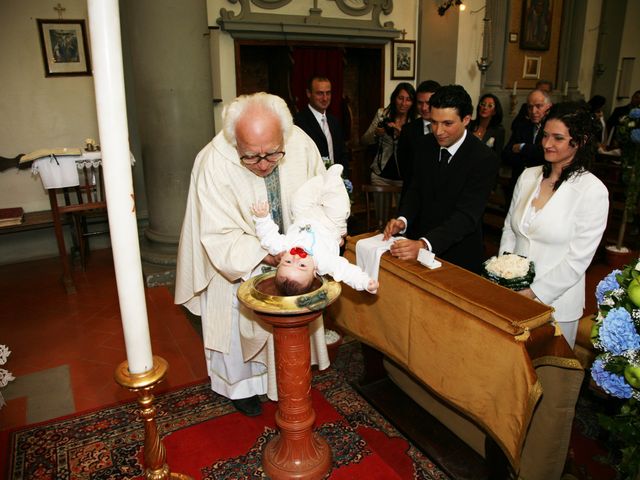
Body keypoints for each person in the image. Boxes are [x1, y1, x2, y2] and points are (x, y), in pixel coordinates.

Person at [174, 92, 329, 417]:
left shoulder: (301, 144)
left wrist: (314, 237)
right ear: (234, 141)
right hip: (239, 262)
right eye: (251, 157)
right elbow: (216, 232)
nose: (263, 165)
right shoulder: (213, 161)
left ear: (284, 134)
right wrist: (266, 254)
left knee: (290, 325)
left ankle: (285, 378)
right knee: (235, 324)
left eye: (273, 154)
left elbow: (322, 196)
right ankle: (241, 389)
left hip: (294, 257)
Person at [499, 102, 609, 348]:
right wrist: (505, 277)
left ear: (580, 141)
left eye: (558, 138)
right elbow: (510, 229)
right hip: (512, 296)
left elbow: (577, 260)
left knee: (548, 378)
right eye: (546, 135)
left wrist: (533, 293)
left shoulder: (592, 191)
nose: (547, 144)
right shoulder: (529, 175)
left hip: (555, 304)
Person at [382, 84, 499, 274]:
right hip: (418, 249)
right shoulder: (424, 145)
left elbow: (466, 217)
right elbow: (415, 190)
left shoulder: (483, 158)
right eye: (433, 122)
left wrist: (425, 244)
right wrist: (403, 219)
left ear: (466, 119)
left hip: (458, 256)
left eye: (447, 123)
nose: (438, 131)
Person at [251, 165, 378, 295]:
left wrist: (261, 218)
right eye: (302, 266)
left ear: (280, 262)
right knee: (338, 205)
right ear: (314, 272)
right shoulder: (324, 261)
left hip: (303, 216)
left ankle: (321, 179)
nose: (296, 259)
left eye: (288, 262)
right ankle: (333, 179)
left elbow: (268, 237)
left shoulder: (284, 247)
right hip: (331, 223)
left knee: (297, 199)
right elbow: (345, 270)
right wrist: (364, 282)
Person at [361, 82, 417, 186]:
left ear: (413, 102)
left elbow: (417, 150)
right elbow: (364, 140)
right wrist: (376, 133)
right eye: (400, 98)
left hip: (404, 177)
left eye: (408, 99)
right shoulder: (382, 114)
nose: (403, 103)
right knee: (380, 203)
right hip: (380, 174)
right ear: (394, 98)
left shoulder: (415, 121)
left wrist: (403, 136)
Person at [503, 89, 552, 205]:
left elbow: (544, 154)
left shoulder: (551, 128)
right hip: (518, 184)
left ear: (548, 107)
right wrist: (533, 153)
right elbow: (506, 154)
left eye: (538, 106)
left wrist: (522, 148)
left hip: (541, 186)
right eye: (530, 107)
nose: (533, 111)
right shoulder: (522, 126)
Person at [293, 75, 348, 173]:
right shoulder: (298, 122)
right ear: (308, 93)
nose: (325, 98)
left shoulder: (334, 121)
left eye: (328, 93)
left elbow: (342, 154)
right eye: (320, 93)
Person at [397, 79, 441, 198]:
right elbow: (404, 167)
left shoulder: (449, 130)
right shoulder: (408, 130)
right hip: (413, 195)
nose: (424, 107)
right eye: (420, 103)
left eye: (428, 103)